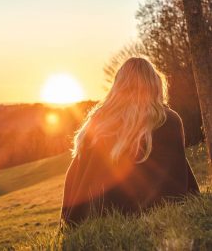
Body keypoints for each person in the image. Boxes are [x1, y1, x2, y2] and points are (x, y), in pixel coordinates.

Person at [60, 57, 200, 229]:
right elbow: (176, 177)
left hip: (92, 218)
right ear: (154, 84)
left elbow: (74, 177)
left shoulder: (97, 123)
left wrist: (70, 218)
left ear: (117, 87)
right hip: (145, 216)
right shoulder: (167, 120)